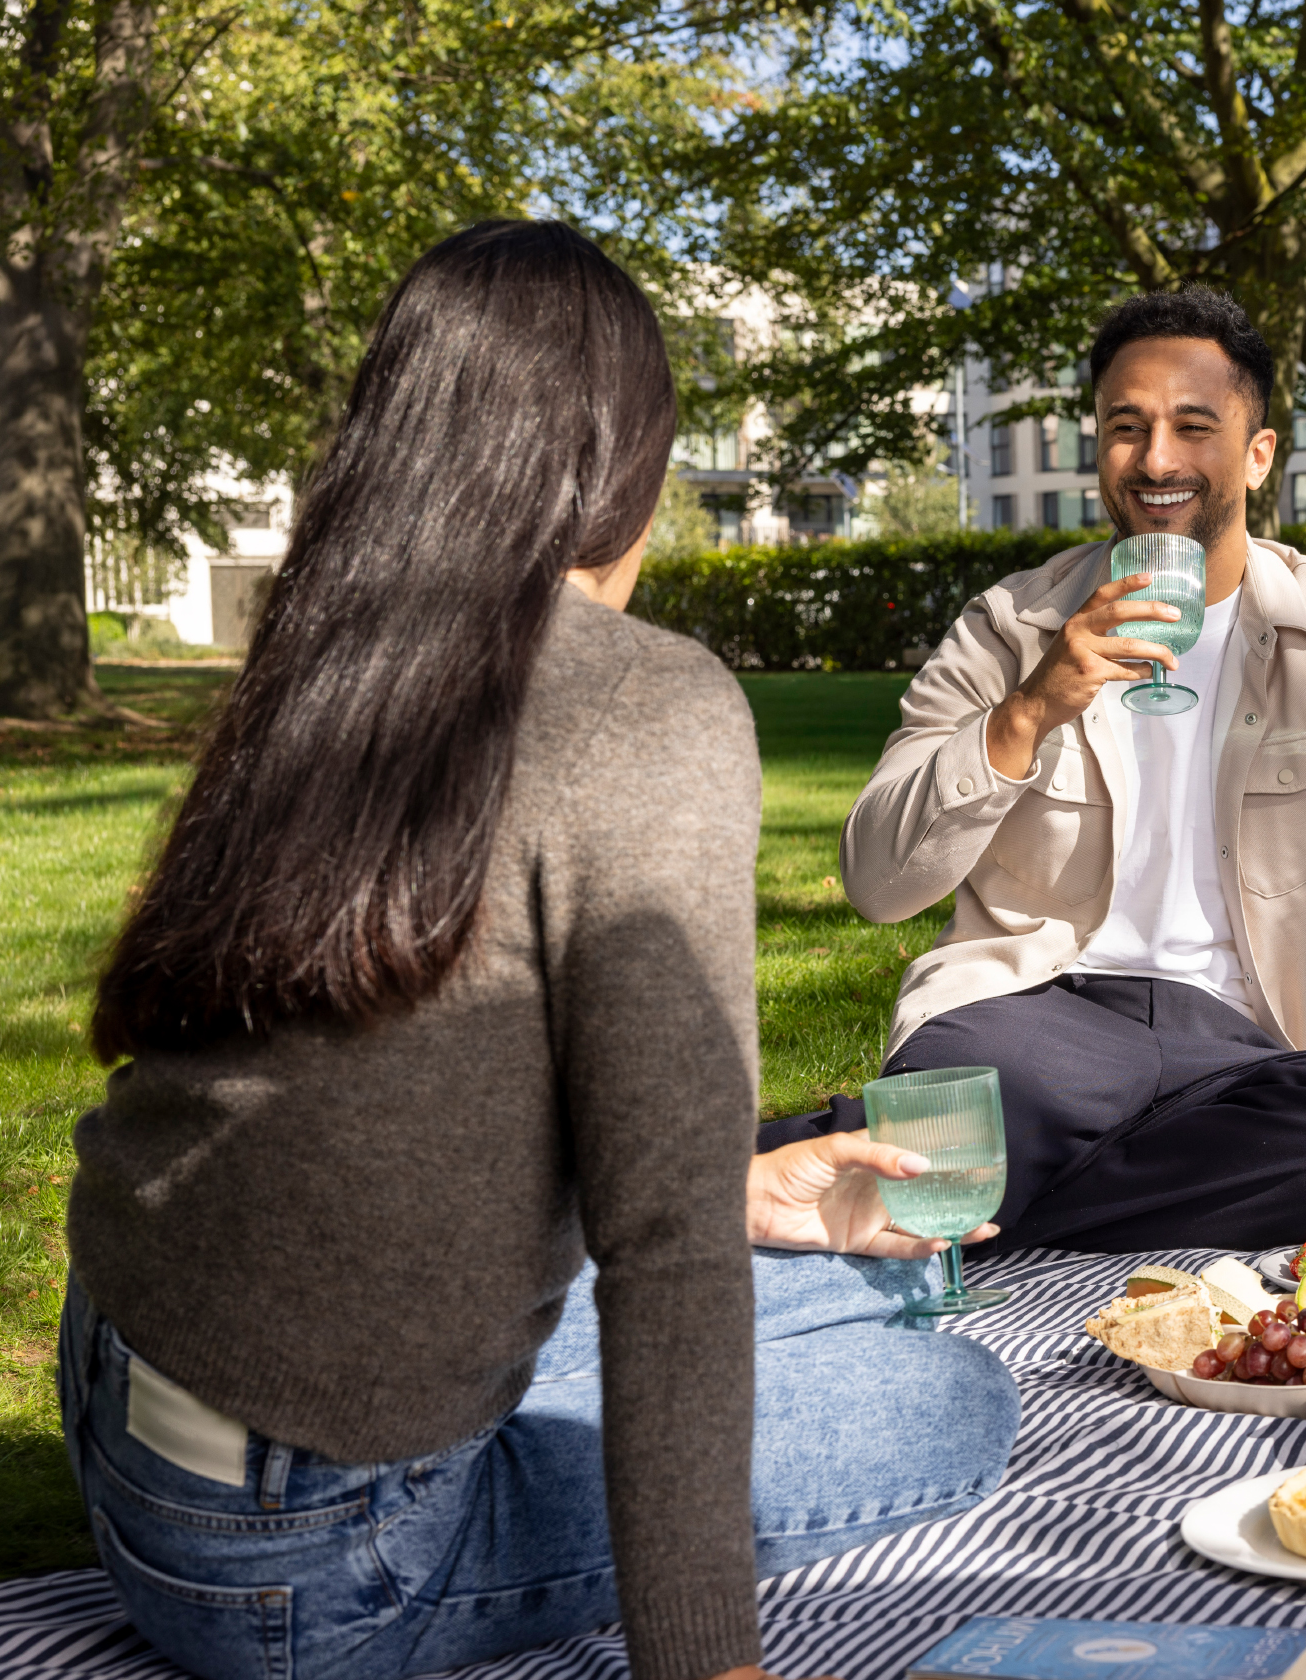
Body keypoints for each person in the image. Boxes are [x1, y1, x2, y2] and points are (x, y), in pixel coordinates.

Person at [61, 221, 1016, 1680]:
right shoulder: (643, 703)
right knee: (946, 1392)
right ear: (620, 465)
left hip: (135, 1401)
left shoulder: (328, 658)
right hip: (312, 1557)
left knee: (859, 1279)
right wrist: (708, 1662)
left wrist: (739, 1183)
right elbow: (667, 1263)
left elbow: (382, 1084)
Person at [794, 287, 1306, 1256]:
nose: (1156, 461)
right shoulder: (1007, 627)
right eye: (1126, 427)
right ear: (1096, 444)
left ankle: (971, 1211)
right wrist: (1029, 709)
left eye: (1195, 427)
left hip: (1235, 1045)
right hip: (1034, 1021)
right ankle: (993, 1183)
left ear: (1257, 455)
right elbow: (877, 882)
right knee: (967, 1092)